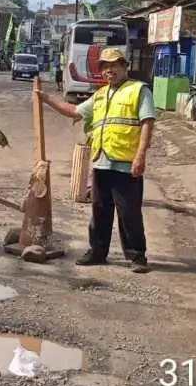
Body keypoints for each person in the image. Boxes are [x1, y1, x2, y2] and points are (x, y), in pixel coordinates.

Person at [34, 47, 155, 272]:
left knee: (129, 212)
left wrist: (140, 156)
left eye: (114, 65)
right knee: (100, 210)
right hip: (102, 161)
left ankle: (137, 256)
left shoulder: (138, 90)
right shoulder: (100, 95)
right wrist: (47, 99)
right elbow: (74, 112)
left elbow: (147, 122)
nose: (110, 70)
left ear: (124, 66)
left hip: (126, 163)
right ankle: (98, 252)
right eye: (105, 67)